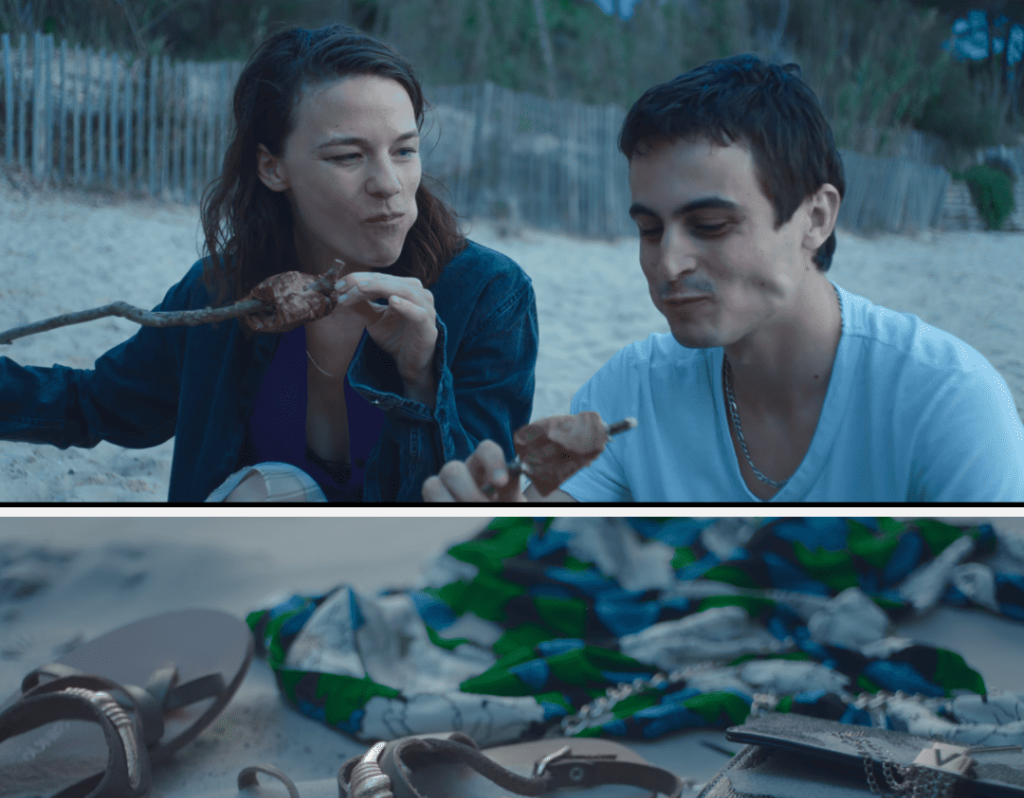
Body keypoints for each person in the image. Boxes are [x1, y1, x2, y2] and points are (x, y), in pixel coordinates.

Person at [423, 54, 1024, 504]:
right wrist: (494, 516)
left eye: (709, 225)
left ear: (815, 218)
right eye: (650, 230)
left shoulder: (946, 403)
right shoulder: (631, 391)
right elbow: (549, 556)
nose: (668, 263)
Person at [0, 25, 538, 502]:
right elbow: (98, 405)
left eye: (404, 151)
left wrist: (421, 380)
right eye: (348, 156)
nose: (388, 184)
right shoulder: (223, 293)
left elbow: (481, 500)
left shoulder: (489, 294)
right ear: (272, 167)